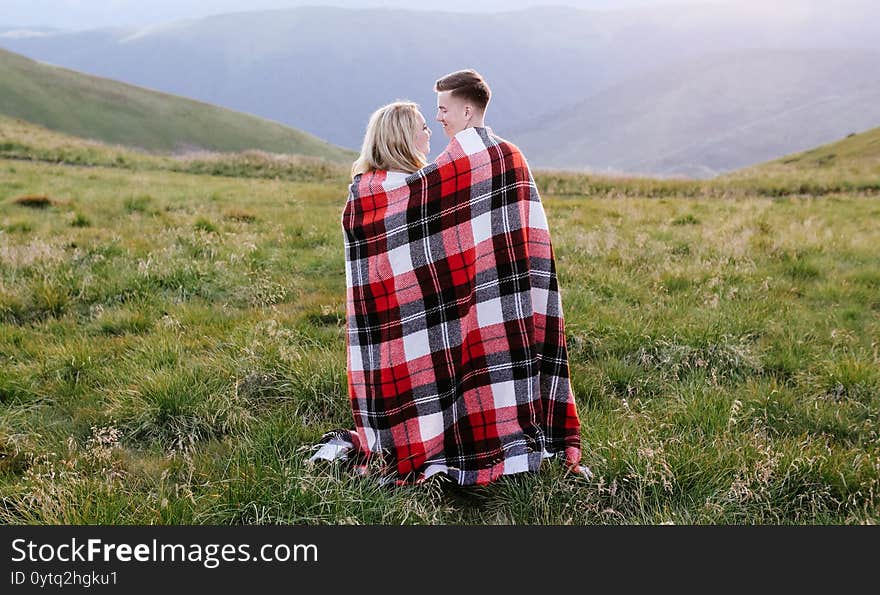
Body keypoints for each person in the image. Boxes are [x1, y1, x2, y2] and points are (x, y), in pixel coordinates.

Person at [308, 71, 589, 486]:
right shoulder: (392, 188)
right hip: (411, 321)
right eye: (426, 121)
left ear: (467, 109)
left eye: (439, 111)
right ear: (402, 138)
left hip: (466, 308)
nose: (435, 123)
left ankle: (462, 429)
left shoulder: (471, 164)